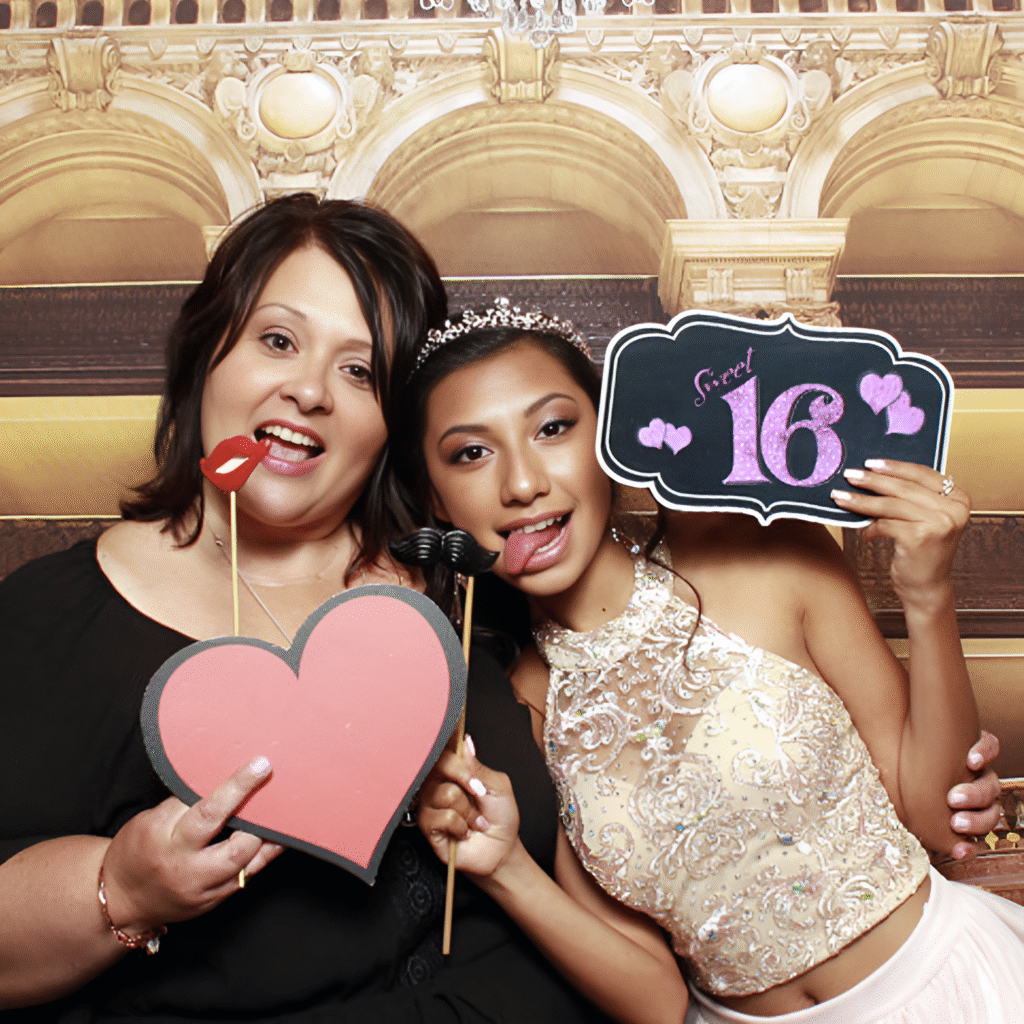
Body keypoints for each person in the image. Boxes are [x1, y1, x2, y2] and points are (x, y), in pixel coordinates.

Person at [0, 197, 611, 1024]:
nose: (309, 391)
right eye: (278, 340)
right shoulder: (51, 619)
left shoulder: (466, 585)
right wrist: (126, 889)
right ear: (205, 354)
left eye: (360, 371)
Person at [396, 303, 1023, 1024]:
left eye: (553, 427)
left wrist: (928, 595)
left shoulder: (764, 555)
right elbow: (659, 1001)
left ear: (610, 440)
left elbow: (941, 823)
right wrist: (505, 868)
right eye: (471, 453)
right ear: (438, 503)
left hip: (946, 991)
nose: (523, 483)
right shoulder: (521, 709)